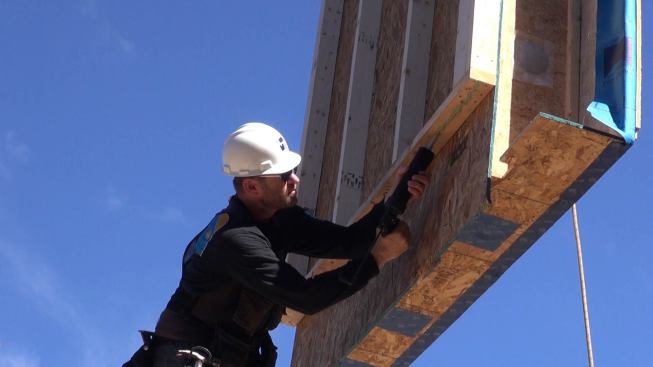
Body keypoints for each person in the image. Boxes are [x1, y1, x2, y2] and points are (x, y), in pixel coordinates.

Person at [125, 122, 429, 367]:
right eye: (284, 176)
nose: (295, 180)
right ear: (252, 186)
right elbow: (306, 298)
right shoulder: (237, 240)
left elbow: (347, 242)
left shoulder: (278, 219)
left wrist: (395, 197)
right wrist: (377, 258)